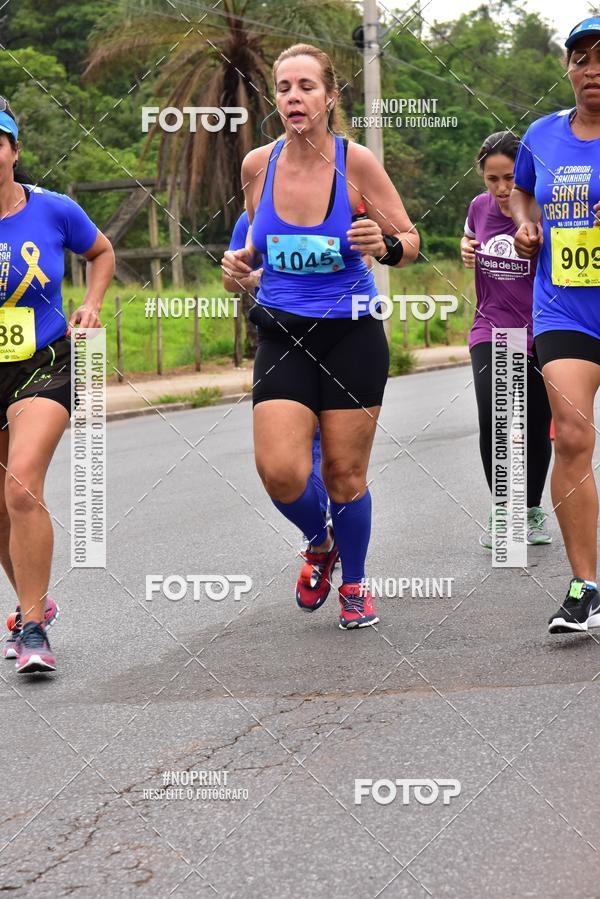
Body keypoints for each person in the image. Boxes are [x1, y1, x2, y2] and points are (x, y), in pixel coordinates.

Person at [221, 44, 418, 629]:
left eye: (306, 86)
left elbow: (409, 240)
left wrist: (381, 245)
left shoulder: (356, 165)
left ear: (331, 96)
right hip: (282, 333)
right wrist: (239, 270)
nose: (293, 97)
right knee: (280, 469)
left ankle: (354, 584)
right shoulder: (258, 164)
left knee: (343, 473)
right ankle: (320, 539)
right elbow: (252, 249)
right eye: (284, 88)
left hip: (351, 335)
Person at [0, 99, 115, 671]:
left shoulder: (53, 210)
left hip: (43, 362)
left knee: (21, 488)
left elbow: (101, 251)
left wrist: (91, 304)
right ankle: (28, 606)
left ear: (14, 151)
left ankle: (35, 631)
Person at [511, 18, 600, 634]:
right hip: (564, 307)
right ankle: (587, 585)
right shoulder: (541, 135)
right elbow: (521, 191)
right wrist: (526, 225)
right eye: (581, 58)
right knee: (570, 435)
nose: (593, 69)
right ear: (567, 69)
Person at [461, 131, 552, 549]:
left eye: (510, 179)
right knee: (497, 417)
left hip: (542, 326)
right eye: (492, 179)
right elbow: (470, 236)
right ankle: (503, 508)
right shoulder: (479, 208)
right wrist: (466, 246)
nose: (501, 189)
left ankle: (531, 510)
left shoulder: (543, 210)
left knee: (535, 424)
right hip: (492, 326)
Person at [223, 209, 330, 524]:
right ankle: (318, 529)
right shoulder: (252, 219)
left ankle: (327, 526)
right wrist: (253, 276)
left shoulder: (332, 205)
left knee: (328, 441)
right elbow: (230, 280)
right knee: (301, 443)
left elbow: (362, 262)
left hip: (338, 335)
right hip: (280, 340)